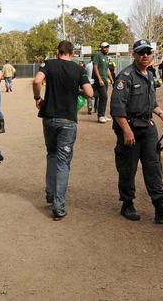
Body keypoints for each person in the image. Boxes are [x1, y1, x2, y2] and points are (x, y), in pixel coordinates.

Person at [110, 39, 163, 223]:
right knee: (128, 167)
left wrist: (161, 114)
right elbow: (117, 108)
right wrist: (126, 131)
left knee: (154, 166)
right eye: (141, 52)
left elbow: (151, 102)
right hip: (130, 127)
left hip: (147, 127)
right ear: (134, 55)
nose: (145, 56)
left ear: (152, 55)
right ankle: (127, 204)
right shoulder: (125, 76)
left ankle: (160, 207)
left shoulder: (150, 75)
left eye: (148, 52)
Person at [32, 41, 94, 220]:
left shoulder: (49, 64)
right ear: (72, 53)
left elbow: (37, 80)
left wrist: (37, 98)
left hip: (49, 117)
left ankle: (50, 194)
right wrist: (78, 91)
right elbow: (89, 93)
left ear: (57, 52)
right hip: (68, 120)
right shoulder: (78, 69)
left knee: (51, 154)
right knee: (63, 162)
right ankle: (58, 207)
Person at [93, 42, 112, 123]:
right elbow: (95, 67)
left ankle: (103, 115)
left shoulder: (106, 57)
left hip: (105, 80)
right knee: (104, 97)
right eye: (104, 47)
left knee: (103, 97)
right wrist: (99, 79)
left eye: (107, 47)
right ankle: (100, 116)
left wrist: (111, 79)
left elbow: (107, 69)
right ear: (101, 47)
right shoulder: (98, 55)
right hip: (99, 79)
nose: (106, 48)